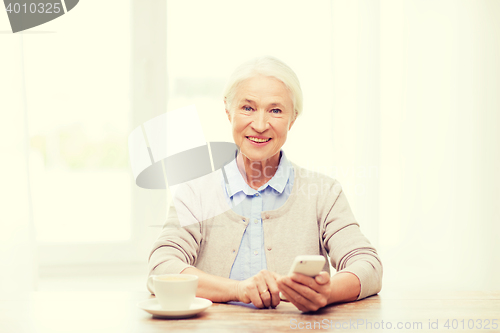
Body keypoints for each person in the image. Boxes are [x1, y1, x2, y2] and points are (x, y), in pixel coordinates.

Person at [148, 56, 382, 312]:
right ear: (228, 112)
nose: (259, 125)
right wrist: (238, 290)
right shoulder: (196, 192)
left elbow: (368, 266)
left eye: (276, 110)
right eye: (247, 108)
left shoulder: (324, 193)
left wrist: (327, 293)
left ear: (293, 119)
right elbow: (162, 266)